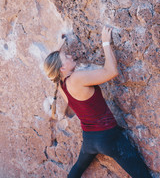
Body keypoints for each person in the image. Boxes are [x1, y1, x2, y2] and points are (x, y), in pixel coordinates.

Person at [44, 26, 152, 178]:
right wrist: (105, 43)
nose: (70, 55)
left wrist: (59, 45)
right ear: (62, 68)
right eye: (66, 56)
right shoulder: (76, 79)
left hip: (89, 140)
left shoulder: (60, 85)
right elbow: (111, 72)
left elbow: (54, 65)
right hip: (108, 137)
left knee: (75, 172)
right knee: (142, 175)